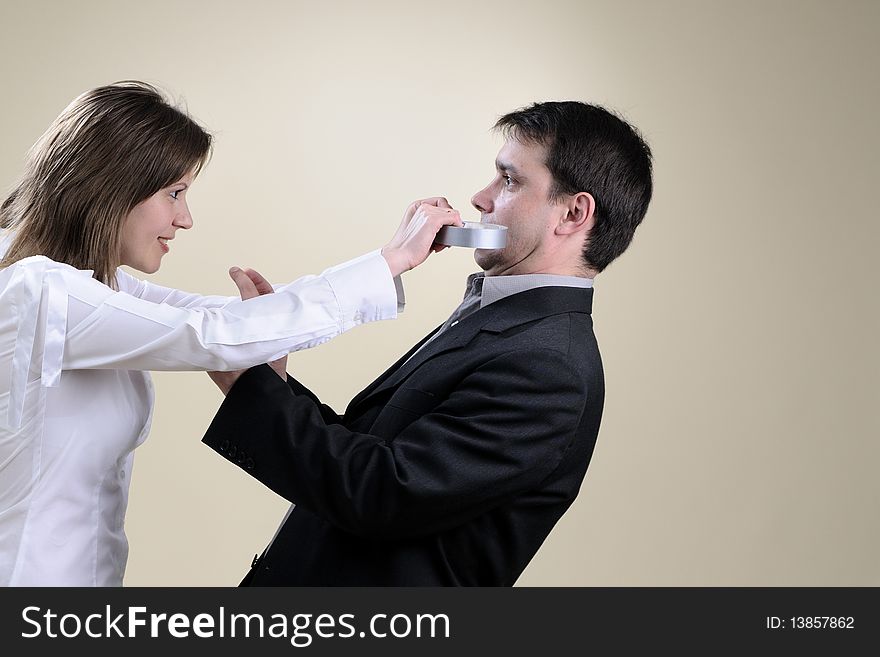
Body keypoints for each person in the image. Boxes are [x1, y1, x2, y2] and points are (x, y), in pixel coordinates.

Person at [0, 81, 461, 586]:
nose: (185, 218)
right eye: (173, 193)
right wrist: (391, 258)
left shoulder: (96, 287)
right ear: (110, 187)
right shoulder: (43, 293)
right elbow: (214, 334)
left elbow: (224, 317)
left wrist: (374, 274)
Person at [203, 100, 653, 586]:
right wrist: (273, 381)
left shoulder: (548, 365)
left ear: (572, 213)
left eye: (509, 180)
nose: (481, 198)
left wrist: (251, 387)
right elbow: (370, 450)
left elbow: (383, 494)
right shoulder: (503, 324)